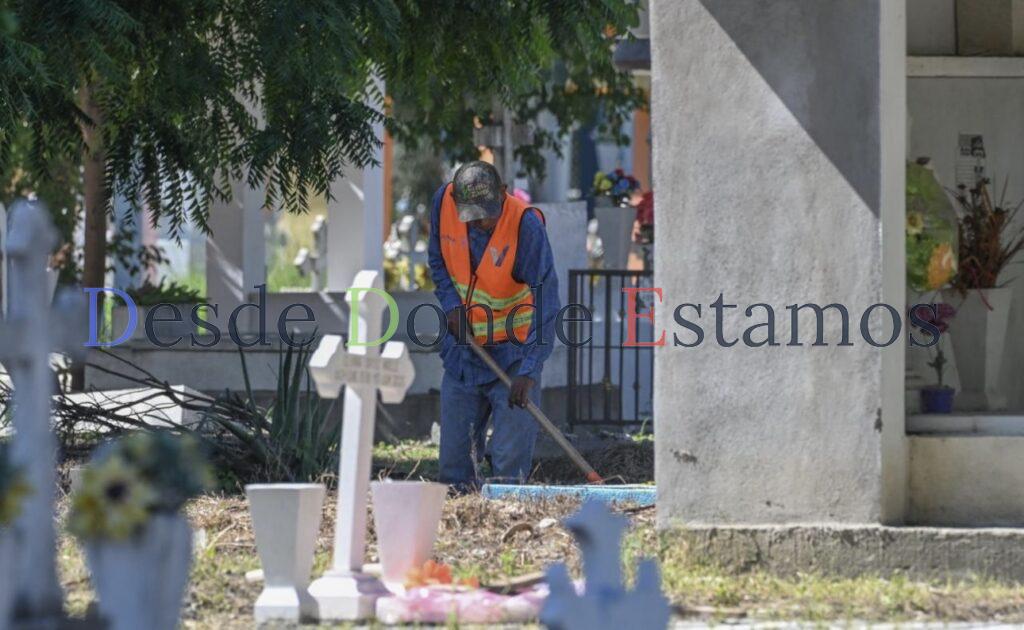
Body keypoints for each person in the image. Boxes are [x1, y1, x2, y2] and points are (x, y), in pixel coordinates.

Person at [427, 161, 559, 491]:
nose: (482, 223)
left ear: (503, 193)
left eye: (488, 213)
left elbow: (547, 299)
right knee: (455, 470)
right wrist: (451, 305)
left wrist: (529, 370)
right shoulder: (443, 205)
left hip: (513, 359)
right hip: (464, 356)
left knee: (508, 471)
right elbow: (438, 260)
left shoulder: (525, 227)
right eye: (473, 215)